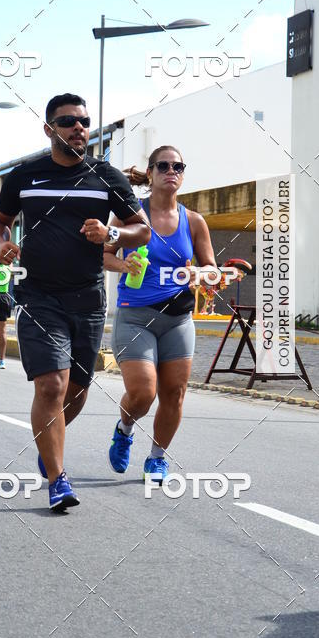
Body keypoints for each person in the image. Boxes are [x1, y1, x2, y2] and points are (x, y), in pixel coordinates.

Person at [0, 92, 150, 512]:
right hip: (39, 295)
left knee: (77, 390)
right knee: (52, 384)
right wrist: (0, 243)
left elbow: (142, 230)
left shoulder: (106, 176)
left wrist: (111, 235)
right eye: (68, 121)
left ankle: (48, 447)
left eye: (84, 121)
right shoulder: (26, 175)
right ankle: (58, 478)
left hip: (89, 299)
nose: (79, 127)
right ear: (49, 129)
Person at [104, 146, 218, 483]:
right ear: (150, 174)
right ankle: (124, 429)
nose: (172, 170)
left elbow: (211, 267)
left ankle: (157, 458)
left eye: (178, 166)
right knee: (143, 393)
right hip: (136, 316)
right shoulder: (129, 216)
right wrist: (124, 264)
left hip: (179, 320)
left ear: (182, 175)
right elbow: (104, 255)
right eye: (164, 165)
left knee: (175, 394)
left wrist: (202, 274)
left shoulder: (194, 221)